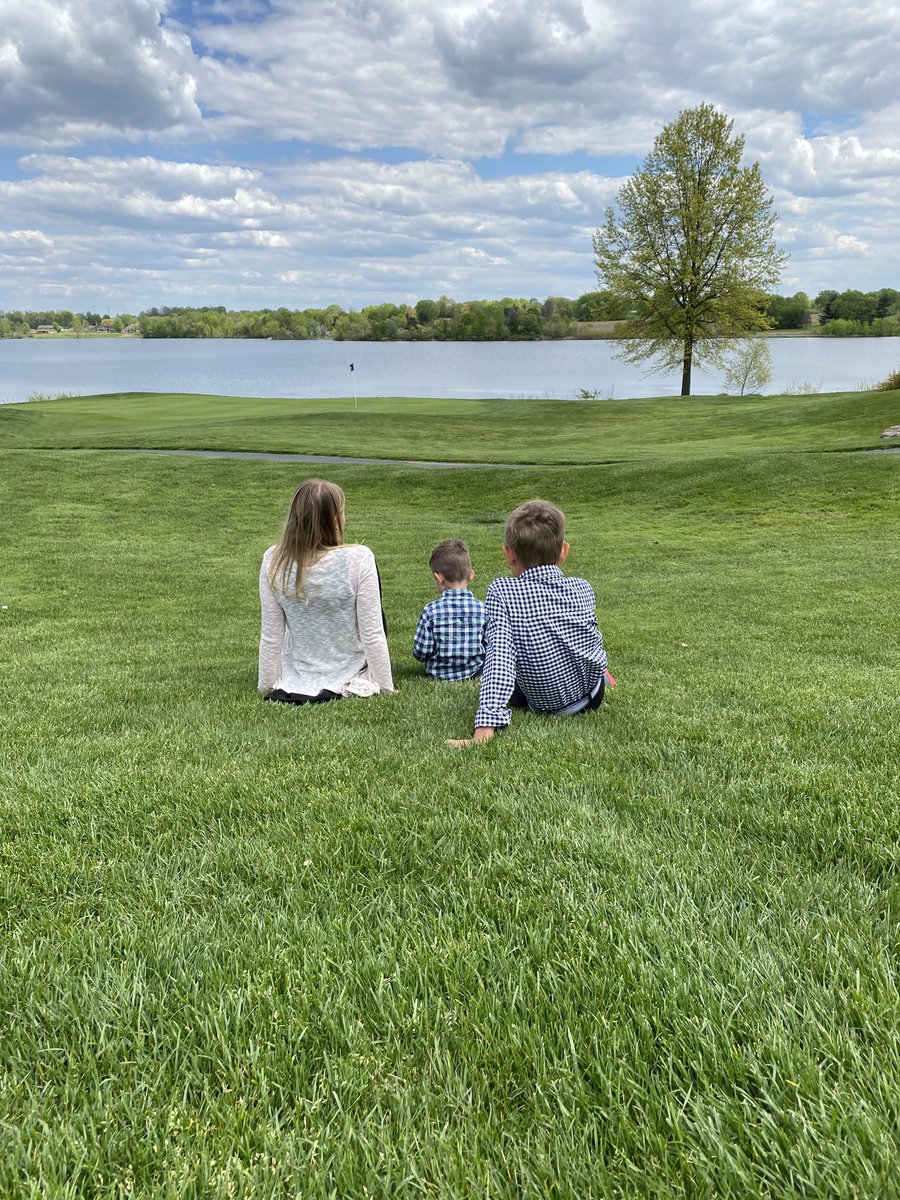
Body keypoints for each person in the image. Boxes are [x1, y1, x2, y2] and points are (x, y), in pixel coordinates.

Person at [449, 499, 607, 747]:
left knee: (511, 672)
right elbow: (587, 635)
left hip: (545, 704)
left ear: (509, 554)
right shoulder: (582, 587)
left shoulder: (503, 591)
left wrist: (483, 731)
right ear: (564, 551)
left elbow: (500, 657)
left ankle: (503, 696)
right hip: (592, 694)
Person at [258, 479, 394, 704]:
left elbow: (272, 634)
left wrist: (267, 683)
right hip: (347, 666)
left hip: (299, 667)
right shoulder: (359, 559)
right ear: (335, 521)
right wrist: (385, 686)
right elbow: (372, 631)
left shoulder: (274, 560)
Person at [413, 539, 486, 680]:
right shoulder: (483, 609)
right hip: (474, 671)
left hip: (438, 673)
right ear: (471, 575)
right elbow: (490, 645)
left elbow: (421, 651)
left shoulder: (431, 611)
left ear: (439, 578)